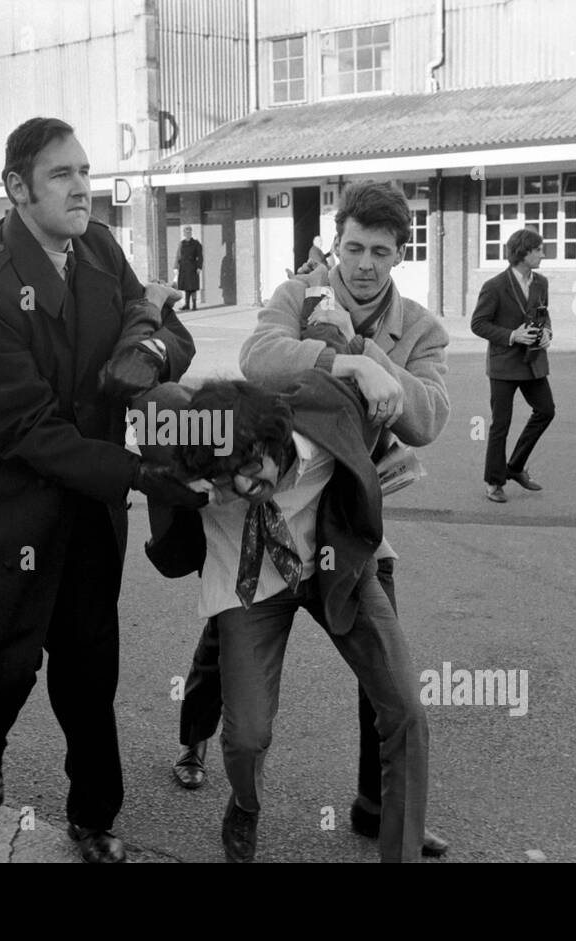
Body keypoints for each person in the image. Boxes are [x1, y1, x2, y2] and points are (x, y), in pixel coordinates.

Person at [0, 116, 202, 864]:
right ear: (17, 189)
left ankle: (93, 817)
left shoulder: (98, 246)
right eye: (62, 174)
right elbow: (28, 430)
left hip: (86, 499)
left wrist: (150, 351)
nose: (82, 187)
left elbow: (163, 332)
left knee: (89, 667)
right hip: (1, 498)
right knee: (5, 655)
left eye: (86, 171)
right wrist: (139, 473)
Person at [169, 180, 451, 857]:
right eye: (352, 247)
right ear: (335, 241)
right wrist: (344, 359)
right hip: (258, 524)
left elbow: (429, 417)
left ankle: (386, 823)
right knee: (236, 690)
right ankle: (214, 761)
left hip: (348, 533)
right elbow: (259, 359)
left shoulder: (420, 328)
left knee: (399, 701)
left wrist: (373, 355)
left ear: (397, 257)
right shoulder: (298, 295)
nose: (362, 265)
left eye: (379, 252)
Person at [143, 374, 430, 863]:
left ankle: (400, 851)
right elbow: (149, 400)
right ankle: (244, 806)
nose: (244, 486)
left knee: (406, 711)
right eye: (226, 478)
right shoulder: (195, 451)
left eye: (253, 466)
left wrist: (359, 359)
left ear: (276, 442)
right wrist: (180, 474)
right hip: (248, 584)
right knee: (247, 736)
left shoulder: (329, 427)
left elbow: (349, 377)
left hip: (333, 566)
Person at [471, 227, 554, 503]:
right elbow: (478, 324)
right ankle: (494, 482)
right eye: (538, 249)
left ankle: (515, 467)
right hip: (504, 366)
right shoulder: (494, 286)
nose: (543, 254)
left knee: (546, 411)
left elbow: (545, 315)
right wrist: (511, 335)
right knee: (500, 425)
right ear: (523, 253)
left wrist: (547, 334)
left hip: (532, 363)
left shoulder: (541, 282)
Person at [174, 225, 203, 311]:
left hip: (193, 267)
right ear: (184, 233)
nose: (187, 234)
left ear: (191, 233)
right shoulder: (181, 243)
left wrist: (199, 267)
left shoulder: (196, 243)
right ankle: (187, 305)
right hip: (183, 267)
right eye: (186, 232)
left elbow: (200, 256)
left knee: (193, 287)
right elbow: (178, 255)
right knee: (186, 287)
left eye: (189, 232)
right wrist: (176, 267)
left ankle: (194, 305)